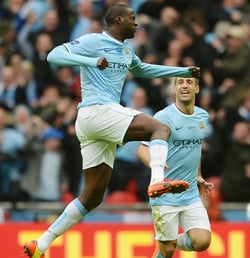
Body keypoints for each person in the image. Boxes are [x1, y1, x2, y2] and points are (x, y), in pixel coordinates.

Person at [24, 4, 199, 258]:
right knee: (160, 128)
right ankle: (158, 181)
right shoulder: (94, 41)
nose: (137, 24)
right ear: (118, 20)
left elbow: (142, 70)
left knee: (92, 197)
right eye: (132, 19)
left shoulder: (127, 48)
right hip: (96, 111)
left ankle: (40, 244)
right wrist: (90, 61)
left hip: (96, 123)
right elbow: (53, 56)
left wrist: (181, 72)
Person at [137, 77, 213, 258]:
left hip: (190, 194)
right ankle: (165, 244)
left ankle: (165, 241)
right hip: (165, 193)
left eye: (189, 82)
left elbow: (195, 148)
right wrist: (156, 164)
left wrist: (198, 175)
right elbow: (142, 150)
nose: (184, 86)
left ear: (197, 88)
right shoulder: (162, 118)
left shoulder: (202, 116)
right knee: (168, 251)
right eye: (180, 82)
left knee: (202, 241)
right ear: (174, 89)